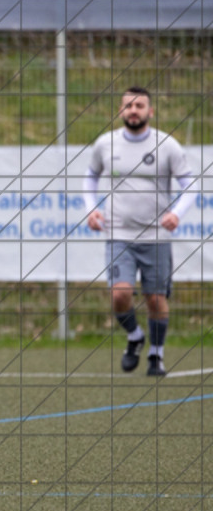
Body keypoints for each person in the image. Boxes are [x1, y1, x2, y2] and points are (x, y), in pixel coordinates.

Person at [84, 86, 196, 376]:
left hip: (155, 237)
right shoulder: (105, 144)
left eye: (140, 106)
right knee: (120, 295)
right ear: (120, 111)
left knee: (155, 298)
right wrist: (90, 208)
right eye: (128, 106)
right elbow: (90, 176)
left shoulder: (167, 145)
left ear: (150, 111)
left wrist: (176, 213)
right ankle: (134, 336)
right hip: (118, 233)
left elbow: (190, 185)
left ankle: (156, 356)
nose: (134, 111)